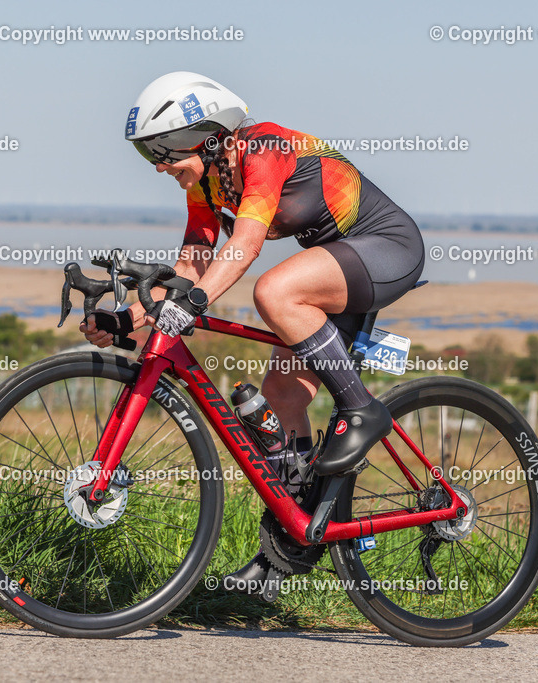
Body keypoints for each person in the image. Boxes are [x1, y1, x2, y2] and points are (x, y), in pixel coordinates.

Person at [81, 71, 424, 593]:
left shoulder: (264, 147)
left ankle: (362, 411)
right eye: (148, 153)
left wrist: (195, 303)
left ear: (210, 134)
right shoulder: (208, 181)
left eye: (164, 149)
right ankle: (292, 547)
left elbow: (244, 244)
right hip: (336, 268)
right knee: (280, 398)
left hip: (386, 247)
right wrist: (126, 319)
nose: (160, 165)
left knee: (274, 292)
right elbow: (192, 264)